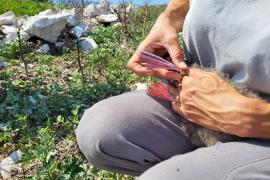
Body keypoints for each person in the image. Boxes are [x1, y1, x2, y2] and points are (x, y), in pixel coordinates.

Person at [76, 0, 270, 179]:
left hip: (262, 125)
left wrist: (252, 117)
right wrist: (170, 17)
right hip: (193, 95)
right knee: (103, 130)